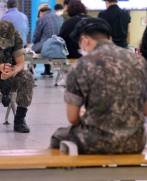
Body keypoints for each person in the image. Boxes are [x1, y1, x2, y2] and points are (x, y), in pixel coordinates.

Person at [51, 17, 147, 154]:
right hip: (135, 141)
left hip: (94, 141)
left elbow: (72, 118)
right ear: (110, 38)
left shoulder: (81, 65)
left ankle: (79, 174)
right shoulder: (139, 62)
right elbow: (145, 110)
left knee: (58, 136)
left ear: (85, 40)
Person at [32, 4, 64, 76]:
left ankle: (31, 71)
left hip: (47, 45)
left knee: (32, 50)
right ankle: (48, 70)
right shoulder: (60, 18)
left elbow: (36, 36)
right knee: (44, 44)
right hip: (59, 46)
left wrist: (35, 42)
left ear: (41, 12)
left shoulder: (41, 19)